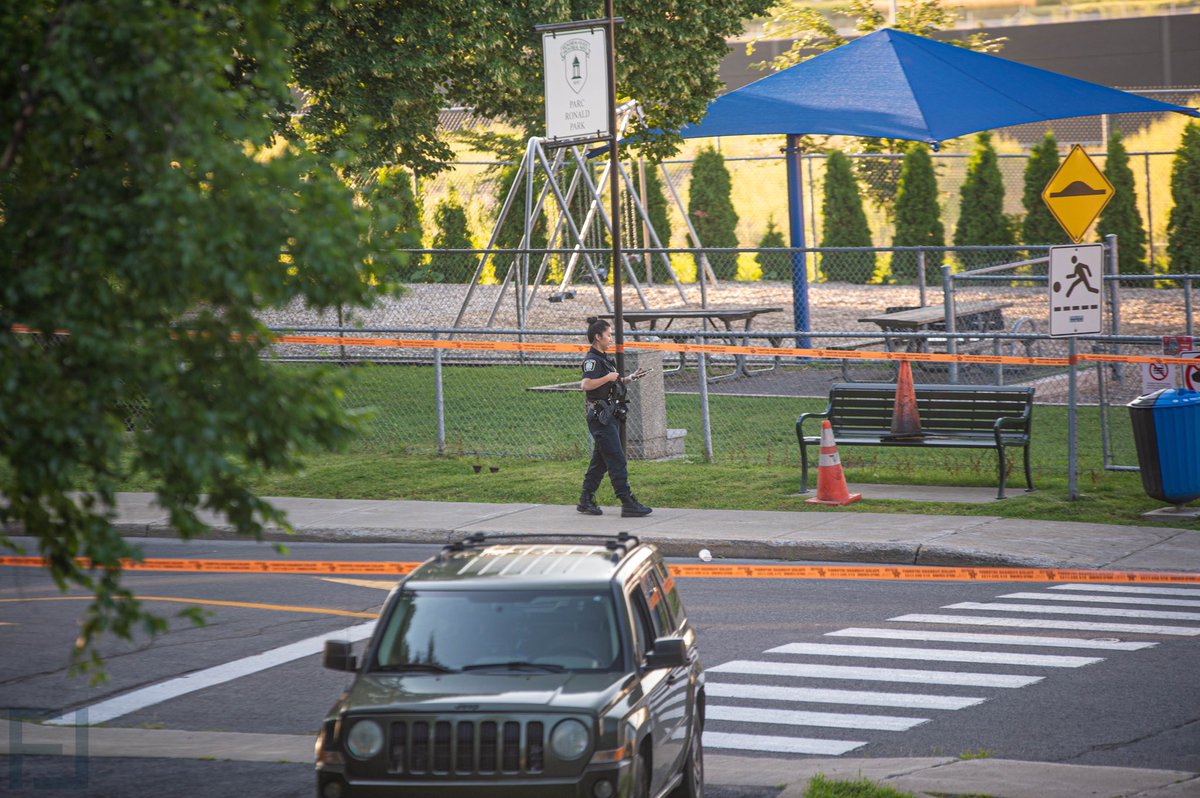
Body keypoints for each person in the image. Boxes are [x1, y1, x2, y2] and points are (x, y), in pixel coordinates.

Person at [577, 317, 652, 518]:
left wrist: (629, 378)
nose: (611, 338)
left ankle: (585, 499)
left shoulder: (604, 359)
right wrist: (607, 378)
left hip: (610, 415)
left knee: (601, 460)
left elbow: (612, 384)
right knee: (617, 458)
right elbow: (585, 385)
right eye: (608, 335)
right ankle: (627, 502)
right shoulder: (592, 360)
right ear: (597, 337)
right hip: (600, 418)